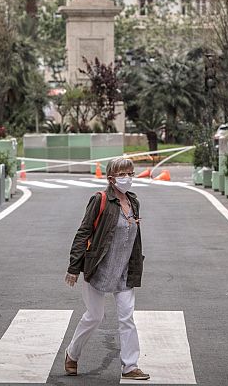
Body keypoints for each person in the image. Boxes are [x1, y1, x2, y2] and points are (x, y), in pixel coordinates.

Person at [63, 157, 149, 381]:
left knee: (127, 318)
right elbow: (83, 232)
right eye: (122, 174)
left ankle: (130, 366)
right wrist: (74, 267)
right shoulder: (100, 200)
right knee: (94, 317)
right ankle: (72, 354)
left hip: (124, 271)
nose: (127, 178)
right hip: (99, 268)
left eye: (130, 173)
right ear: (111, 178)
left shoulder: (133, 202)